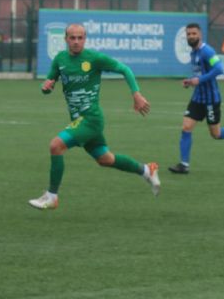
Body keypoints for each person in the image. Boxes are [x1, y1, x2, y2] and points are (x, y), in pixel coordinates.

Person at [29, 23, 160, 210]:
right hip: (78, 120)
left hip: (91, 119)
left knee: (55, 146)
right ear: (65, 39)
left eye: (80, 37)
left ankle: (51, 196)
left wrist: (136, 94)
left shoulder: (94, 58)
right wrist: (46, 87)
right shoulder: (60, 59)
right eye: (72, 38)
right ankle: (147, 170)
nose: (76, 41)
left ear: (85, 39)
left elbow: (125, 69)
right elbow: (49, 84)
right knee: (105, 159)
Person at [168, 22, 224, 174]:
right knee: (186, 127)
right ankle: (184, 165)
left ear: (200, 35)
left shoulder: (207, 51)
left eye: (194, 33)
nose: (191, 36)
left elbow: (220, 69)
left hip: (210, 100)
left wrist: (199, 80)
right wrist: (190, 80)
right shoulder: (193, 53)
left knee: (216, 134)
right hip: (197, 98)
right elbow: (199, 74)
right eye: (188, 34)